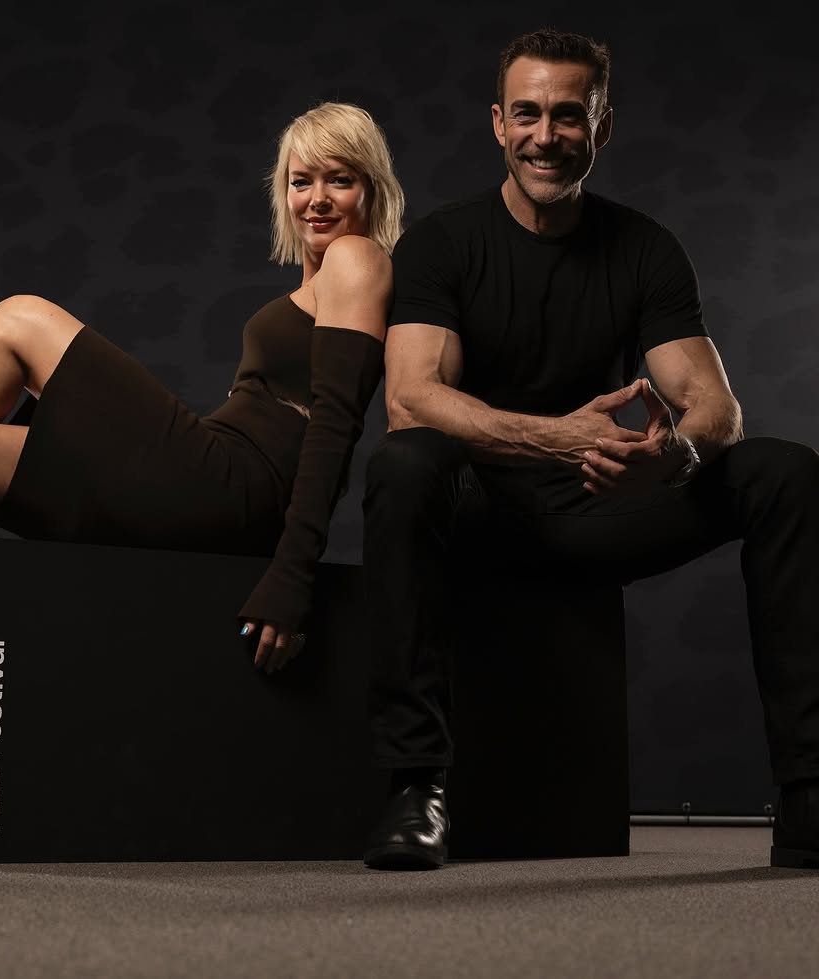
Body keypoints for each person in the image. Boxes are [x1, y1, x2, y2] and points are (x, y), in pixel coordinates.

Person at [0, 102, 402, 756]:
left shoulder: (358, 260)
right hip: (213, 480)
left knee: (18, 319)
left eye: (339, 179)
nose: (317, 199)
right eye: (301, 180)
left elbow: (336, 425)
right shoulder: (316, 282)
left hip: (234, 486)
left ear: (371, 188)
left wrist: (292, 577)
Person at [360, 28, 819, 871]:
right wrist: (558, 436)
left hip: (598, 508)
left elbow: (715, 406)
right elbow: (411, 397)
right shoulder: (443, 244)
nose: (546, 136)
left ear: (601, 127)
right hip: (482, 511)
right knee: (405, 460)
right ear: (498, 123)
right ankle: (416, 785)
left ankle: (809, 793)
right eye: (527, 114)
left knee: (785, 473)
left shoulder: (644, 249)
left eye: (568, 116)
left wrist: (673, 458)